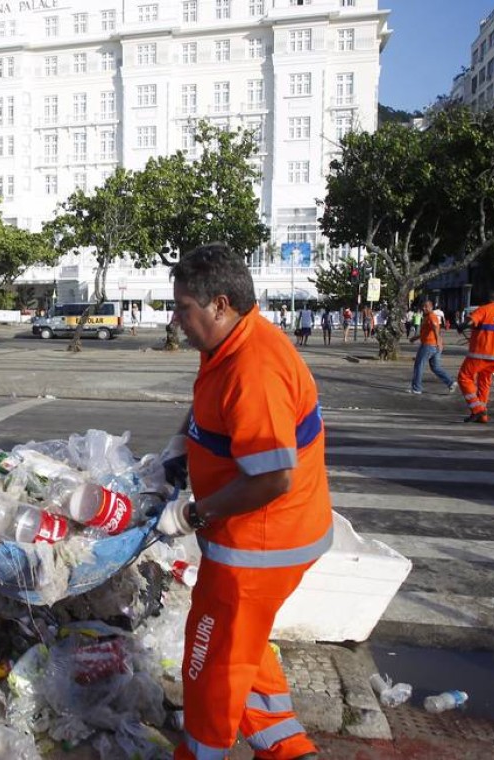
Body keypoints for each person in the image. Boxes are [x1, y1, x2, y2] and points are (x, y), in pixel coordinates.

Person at [156, 244, 330, 760]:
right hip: (269, 534)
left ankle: (202, 750)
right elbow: (212, 410)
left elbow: (275, 477)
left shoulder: (254, 367)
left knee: (212, 658)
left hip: (260, 543)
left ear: (219, 304)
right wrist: (181, 446)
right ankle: (285, 745)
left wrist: (192, 513)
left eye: (183, 307)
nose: (175, 319)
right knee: (244, 644)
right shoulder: (230, 342)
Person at [456, 291, 494, 423]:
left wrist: (461, 326)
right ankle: (482, 415)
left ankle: (477, 409)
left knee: (464, 378)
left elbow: (471, 321)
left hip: (480, 352)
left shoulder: (484, 309)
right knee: (484, 383)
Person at [408, 299, 456, 395]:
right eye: (423, 306)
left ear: (431, 307)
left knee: (419, 366)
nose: (424, 308)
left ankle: (416, 388)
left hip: (429, 345)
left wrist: (438, 342)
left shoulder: (431, 316)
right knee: (435, 367)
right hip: (433, 345)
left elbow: (435, 330)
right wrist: (415, 338)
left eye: (426, 306)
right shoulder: (427, 317)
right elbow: (426, 332)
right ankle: (450, 382)